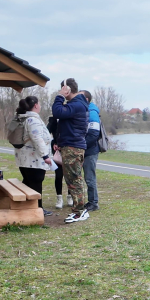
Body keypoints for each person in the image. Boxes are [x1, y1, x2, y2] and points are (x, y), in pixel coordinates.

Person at [51, 78, 89, 222]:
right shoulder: (76, 104)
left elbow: (57, 112)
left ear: (67, 89)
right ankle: (79, 210)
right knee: (72, 178)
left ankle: (80, 211)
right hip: (70, 145)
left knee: (74, 179)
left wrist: (60, 97)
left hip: (73, 147)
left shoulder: (77, 105)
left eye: (62, 90)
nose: (60, 92)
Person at [12, 96, 55, 216]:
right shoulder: (33, 120)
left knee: (28, 182)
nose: (40, 105)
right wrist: (45, 156)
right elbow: (37, 139)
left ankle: (26, 207)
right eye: (39, 103)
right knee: (36, 183)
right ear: (35, 105)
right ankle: (37, 209)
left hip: (24, 158)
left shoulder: (23, 118)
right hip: (33, 159)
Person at [81, 90, 101, 212]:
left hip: (90, 151)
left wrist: (82, 146)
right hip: (86, 149)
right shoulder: (85, 111)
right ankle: (90, 201)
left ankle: (93, 202)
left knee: (89, 177)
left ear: (86, 99)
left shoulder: (92, 113)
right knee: (87, 177)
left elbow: (94, 134)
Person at [46, 115, 66, 209]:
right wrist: (55, 143)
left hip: (69, 146)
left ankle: (70, 196)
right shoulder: (53, 119)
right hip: (57, 149)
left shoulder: (69, 117)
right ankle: (59, 197)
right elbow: (47, 132)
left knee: (70, 174)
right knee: (58, 174)